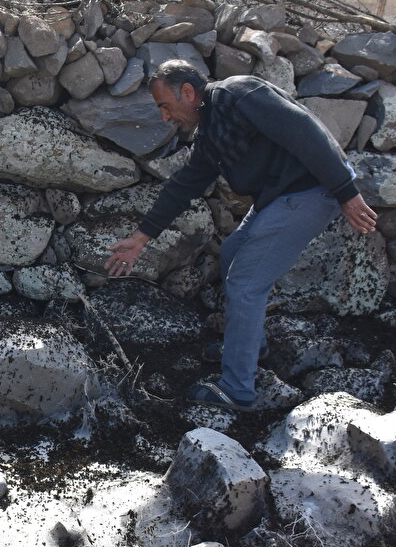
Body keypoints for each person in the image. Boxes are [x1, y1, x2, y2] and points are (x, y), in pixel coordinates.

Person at [105, 60, 378, 411]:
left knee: (246, 284)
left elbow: (304, 129)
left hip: (311, 191)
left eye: (165, 106)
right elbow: (183, 185)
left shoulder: (238, 93)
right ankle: (249, 344)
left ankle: (237, 390)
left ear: (188, 93)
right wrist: (140, 239)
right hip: (280, 196)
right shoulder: (209, 134)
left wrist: (346, 191)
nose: (164, 118)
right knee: (233, 250)